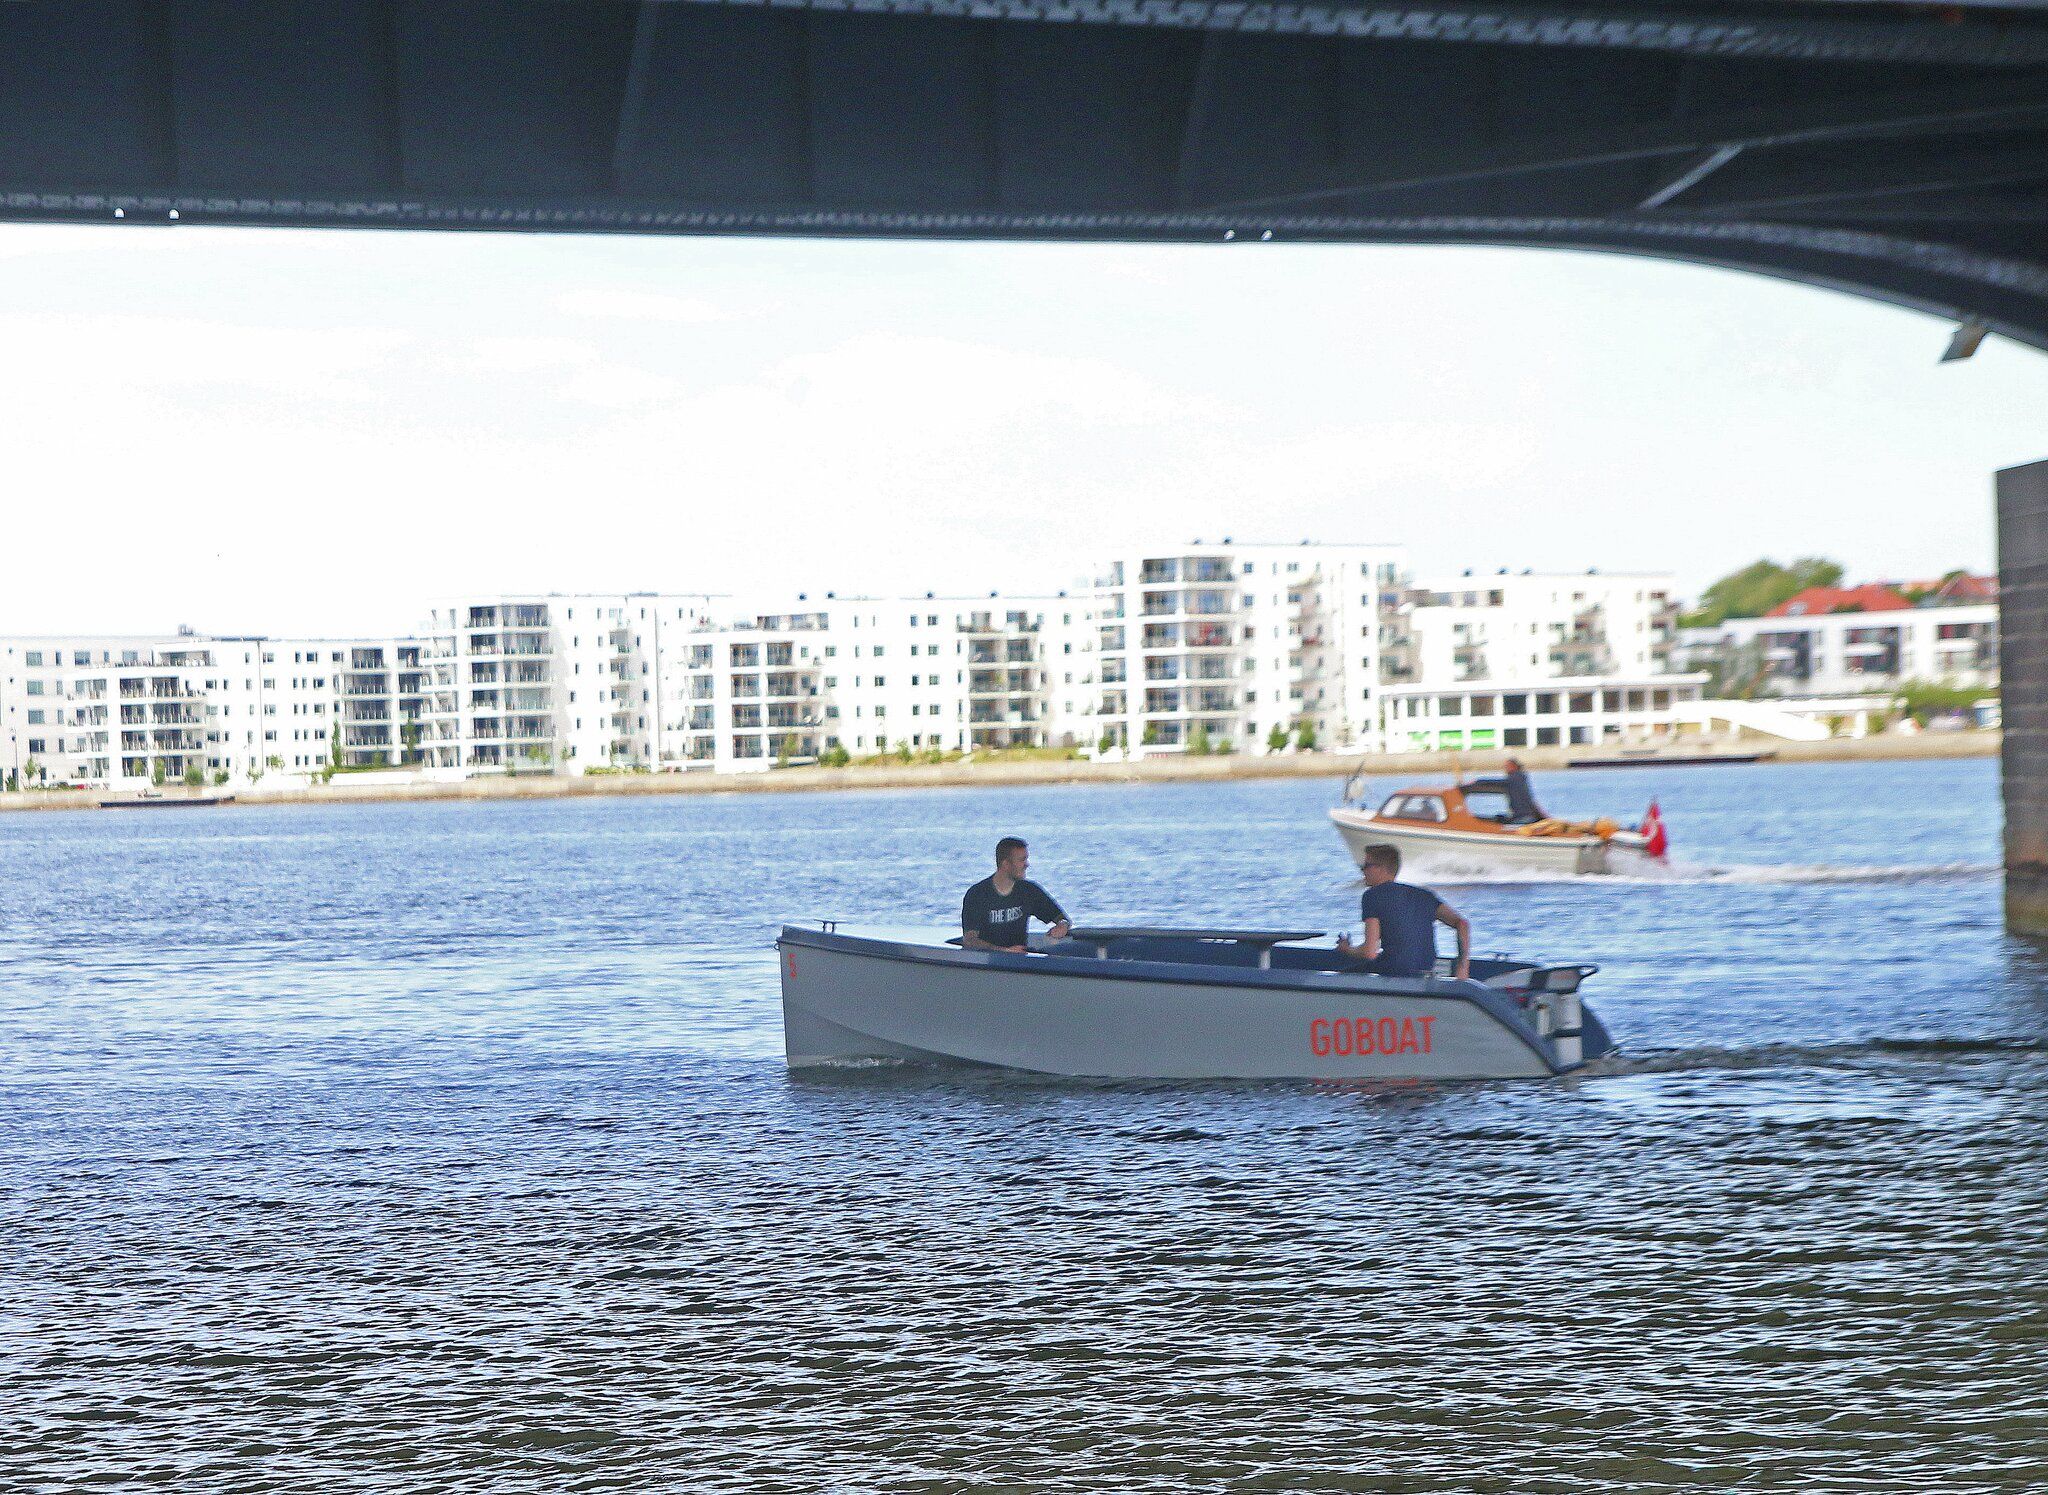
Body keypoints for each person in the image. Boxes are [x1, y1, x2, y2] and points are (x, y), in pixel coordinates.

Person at [1336, 843, 1470, 979]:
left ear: (1381, 869)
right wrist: (1462, 969)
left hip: (1394, 972)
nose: (1362, 871)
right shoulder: (1424, 895)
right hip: (1425, 973)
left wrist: (1347, 949)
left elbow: (1369, 952)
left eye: (1366, 866)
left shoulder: (1372, 895)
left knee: (1338, 978)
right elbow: (1462, 924)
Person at [961, 836, 1072, 952]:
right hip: (986, 962)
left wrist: (1062, 926)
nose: (1027, 864)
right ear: (1006, 864)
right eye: (1022, 860)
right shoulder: (977, 895)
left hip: (1020, 961)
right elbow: (970, 940)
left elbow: (1061, 918)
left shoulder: (1029, 891)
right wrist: (1004, 951)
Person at [1502, 757, 1545, 825]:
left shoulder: (1515, 778)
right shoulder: (1520, 777)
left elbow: (1527, 799)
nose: (1506, 769)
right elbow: (1529, 799)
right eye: (1505, 767)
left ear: (1515, 766)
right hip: (1526, 816)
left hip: (1523, 818)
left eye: (1507, 766)